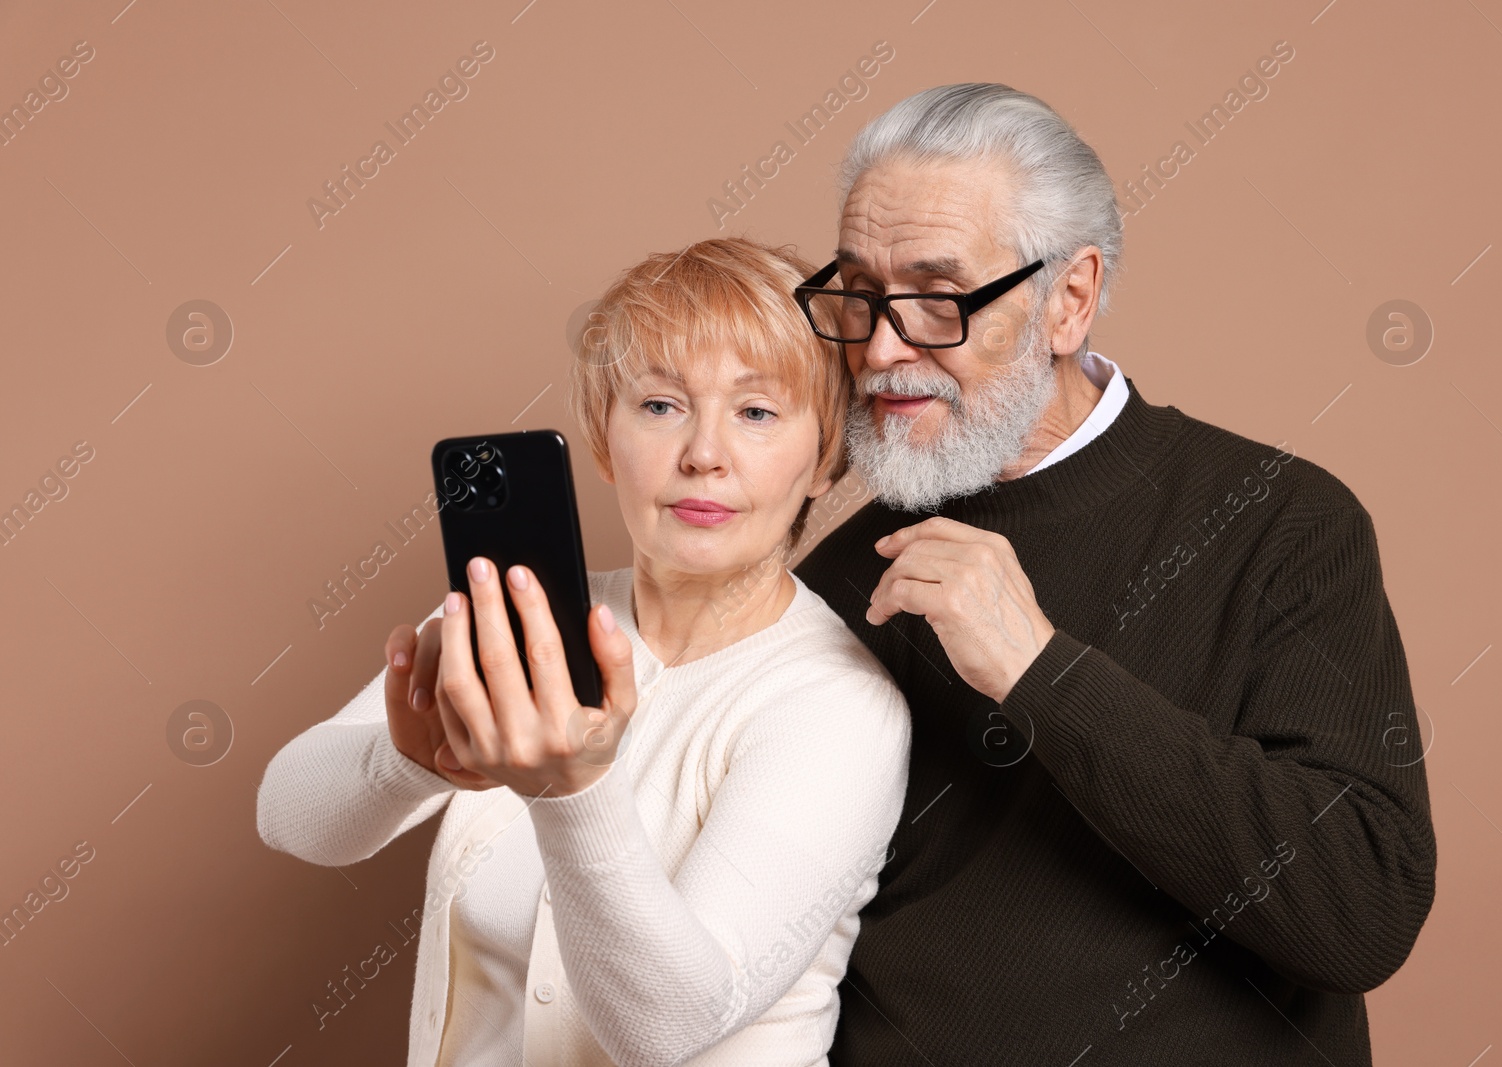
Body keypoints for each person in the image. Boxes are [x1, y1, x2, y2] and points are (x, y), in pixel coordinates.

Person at [791, 83, 1437, 1065]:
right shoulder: (840, 573)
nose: (880, 350)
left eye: (933, 298)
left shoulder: (1283, 521)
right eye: (862, 296)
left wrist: (1041, 669)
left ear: (1070, 299)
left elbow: (1359, 910)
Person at [256, 237, 911, 1067]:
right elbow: (285, 817)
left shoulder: (836, 707)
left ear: (823, 459)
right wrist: (411, 765)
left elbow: (666, 1028)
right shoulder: (523, 619)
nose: (703, 453)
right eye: (661, 405)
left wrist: (575, 787)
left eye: (756, 411)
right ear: (603, 440)